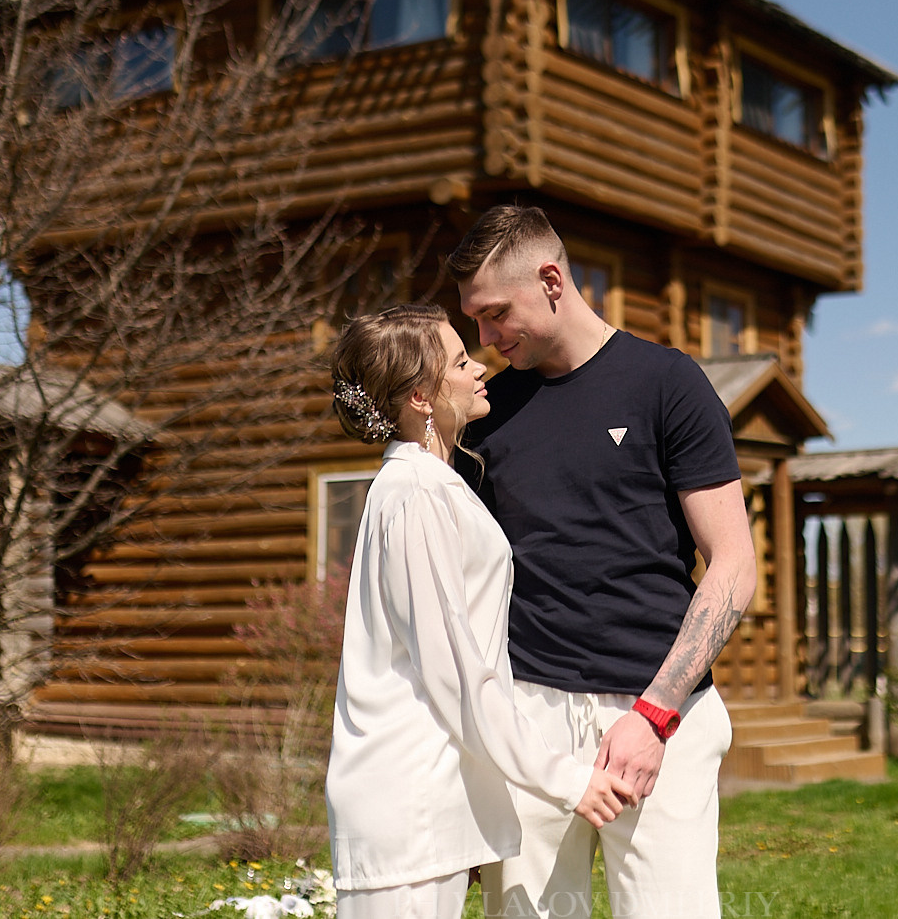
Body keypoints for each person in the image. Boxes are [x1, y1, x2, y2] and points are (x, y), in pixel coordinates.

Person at [447, 206, 758, 919]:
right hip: (528, 713)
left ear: (551, 281)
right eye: (474, 321)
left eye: (496, 314)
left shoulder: (666, 383)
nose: (486, 339)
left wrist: (654, 715)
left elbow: (734, 564)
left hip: (659, 709)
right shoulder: (489, 413)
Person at [323, 304, 635, 919]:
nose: (480, 369)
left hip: (431, 799)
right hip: (407, 799)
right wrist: (566, 780)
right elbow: (457, 673)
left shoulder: (433, 485)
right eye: (461, 361)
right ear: (420, 396)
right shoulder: (415, 494)